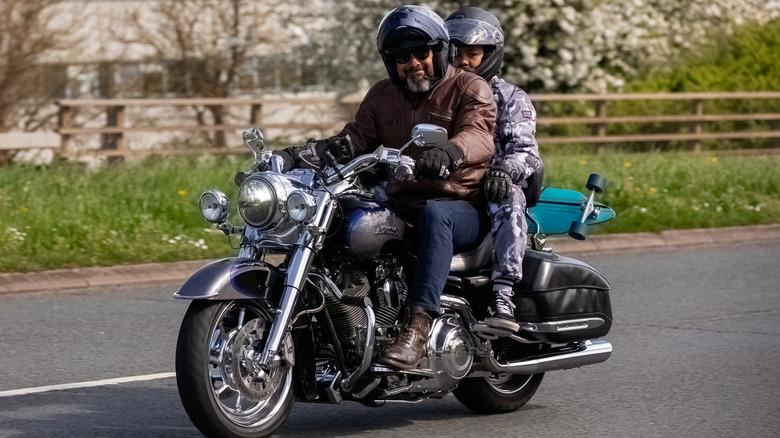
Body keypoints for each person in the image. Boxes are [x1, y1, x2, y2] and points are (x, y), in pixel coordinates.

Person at [281, 4, 496, 370]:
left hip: (460, 206)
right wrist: (300, 154)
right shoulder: (382, 95)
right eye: (400, 57)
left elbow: (479, 135)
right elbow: (354, 138)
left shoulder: (468, 86)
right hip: (402, 206)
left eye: (420, 52)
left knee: (436, 213)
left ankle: (419, 325)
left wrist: (451, 151)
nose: (412, 62)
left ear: (439, 51)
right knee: (342, 215)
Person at [445, 7, 542, 333]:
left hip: (490, 187)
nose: (463, 61)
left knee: (508, 195)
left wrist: (503, 171)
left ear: (489, 54)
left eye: (472, 54)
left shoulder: (509, 97)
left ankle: (503, 296)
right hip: (447, 186)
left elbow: (527, 154)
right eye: (456, 53)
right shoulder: (438, 95)